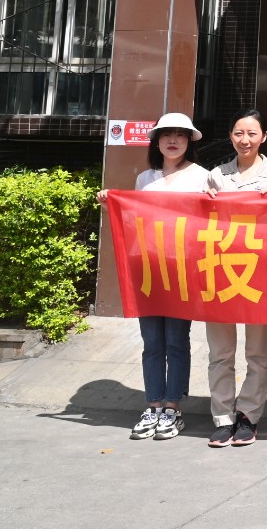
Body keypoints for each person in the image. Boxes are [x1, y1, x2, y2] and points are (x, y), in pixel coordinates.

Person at [96, 112, 208, 442]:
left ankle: (173, 407)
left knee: (176, 340)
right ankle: (153, 405)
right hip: (148, 268)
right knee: (152, 342)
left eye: (180, 134)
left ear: (189, 141)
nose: (173, 140)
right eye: (166, 134)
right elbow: (134, 220)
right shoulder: (145, 178)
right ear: (156, 142)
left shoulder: (202, 177)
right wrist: (112, 204)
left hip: (182, 269)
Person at [205, 109, 267, 447]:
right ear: (230, 136)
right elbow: (196, 223)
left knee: (257, 352)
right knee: (220, 352)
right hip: (221, 272)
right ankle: (222, 416)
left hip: (260, 274)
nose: (245, 140)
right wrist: (204, 203)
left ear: (264, 137)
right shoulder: (216, 176)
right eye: (239, 133)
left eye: (252, 134)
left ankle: (249, 415)